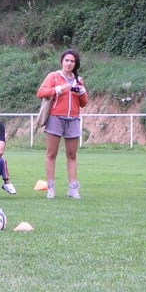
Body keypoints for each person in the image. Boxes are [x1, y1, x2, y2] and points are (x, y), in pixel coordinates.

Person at [36, 49, 89, 199]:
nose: (69, 63)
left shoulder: (79, 80)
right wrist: (57, 89)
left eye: (72, 61)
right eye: (67, 60)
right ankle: (50, 187)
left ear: (76, 64)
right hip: (55, 118)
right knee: (51, 153)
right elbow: (41, 92)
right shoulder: (53, 76)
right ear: (62, 62)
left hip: (73, 119)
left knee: (72, 154)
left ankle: (73, 188)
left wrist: (81, 92)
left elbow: (84, 103)